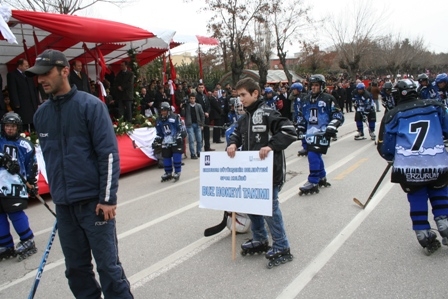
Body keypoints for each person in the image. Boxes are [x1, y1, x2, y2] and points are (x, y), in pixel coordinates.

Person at [27, 49, 133, 299]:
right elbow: (49, 159)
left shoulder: (91, 106)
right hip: (64, 207)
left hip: (94, 206)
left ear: (65, 71)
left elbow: (107, 154)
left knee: (108, 268)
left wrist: (107, 199)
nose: (41, 79)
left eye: (46, 73)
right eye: (37, 75)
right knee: (76, 271)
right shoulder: (41, 115)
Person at [227, 77, 297, 267]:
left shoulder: (268, 113)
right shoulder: (244, 117)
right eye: (238, 96)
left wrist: (270, 146)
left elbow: (290, 131)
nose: (240, 99)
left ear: (255, 93)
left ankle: (282, 246)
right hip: (251, 174)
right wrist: (232, 143)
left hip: (270, 173)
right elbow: (236, 133)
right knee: (252, 206)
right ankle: (260, 238)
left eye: (243, 95)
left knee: (269, 209)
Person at [377, 79, 448, 255]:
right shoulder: (436, 106)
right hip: (436, 162)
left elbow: (385, 147)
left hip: (409, 166)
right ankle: (444, 223)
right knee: (439, 191)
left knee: (417, 196)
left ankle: (423, 233)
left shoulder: (392, 115)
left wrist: (392, 157)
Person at [296, 74, 344, 195]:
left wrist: (332, 126)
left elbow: (338, 115)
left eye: (316, 85)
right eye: (312, 85)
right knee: (315, 155)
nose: (313, 88)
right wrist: (300, 129)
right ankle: (321, 176)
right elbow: (301, 116)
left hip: (322, 132)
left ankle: (313, 181)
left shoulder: (328, 98)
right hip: (309, 133)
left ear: (322, 86)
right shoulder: (305, 99)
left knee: (312, 155)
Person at [0, 112, 38, 261]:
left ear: (18, 127)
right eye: (7, 126)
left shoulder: (25, 144)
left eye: (13, 126)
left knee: (15, 212)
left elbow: (32, 165)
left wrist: (32, 183)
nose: (9, 129)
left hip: (15, 185)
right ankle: (5, 244)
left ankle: (27, 239)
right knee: (0, 214)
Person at [153, 102, 183, 182]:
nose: (163, 112)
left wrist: (179, 135)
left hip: (175, 140)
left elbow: (181, 128)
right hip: (166, 141)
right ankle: (168, 172)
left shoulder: (175, 117)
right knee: (166, 157)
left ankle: (177, 172)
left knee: (176, 156)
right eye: (162, 111)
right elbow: (159, 133)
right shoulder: (158, 120)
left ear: (168, 110)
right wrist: (156, 140)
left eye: (165, 110)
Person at [6, 58, 39, 131]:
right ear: (20, 66)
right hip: (22, 103)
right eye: (25, 66)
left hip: (32, 103)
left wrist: (37, 102)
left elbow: (34, 89)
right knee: (23, 123)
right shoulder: (12, 75)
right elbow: (12, 90)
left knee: (33, 122)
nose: (27, 67)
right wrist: (16, 103)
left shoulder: (28, 74)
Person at [181, 93, 205, 159]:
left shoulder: (198, 106)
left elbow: (202, 115)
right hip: (190, 124)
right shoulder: (186, 106)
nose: (192, 100)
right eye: (191, 98)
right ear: (189, 99)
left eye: (193, 98)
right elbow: (183, 114)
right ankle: (192, 154)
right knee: (191, 140)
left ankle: (199, 152)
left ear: (195, 99)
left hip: (198, 124)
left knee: (199, 139)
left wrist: (202, 124)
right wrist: (183, 107)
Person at [195, 83, 214, 151]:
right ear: (197, 88)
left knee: (207, 133)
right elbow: (197, 107)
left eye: (202, 87)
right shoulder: (196, 97)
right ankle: (199, 149)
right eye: (199, 87)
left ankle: (207, 147)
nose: (201, 88)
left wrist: (208, 112)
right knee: (200, 135)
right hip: (200, 118)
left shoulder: (205, 96)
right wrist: (203, 113)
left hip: (207, 117)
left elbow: (209, 105)